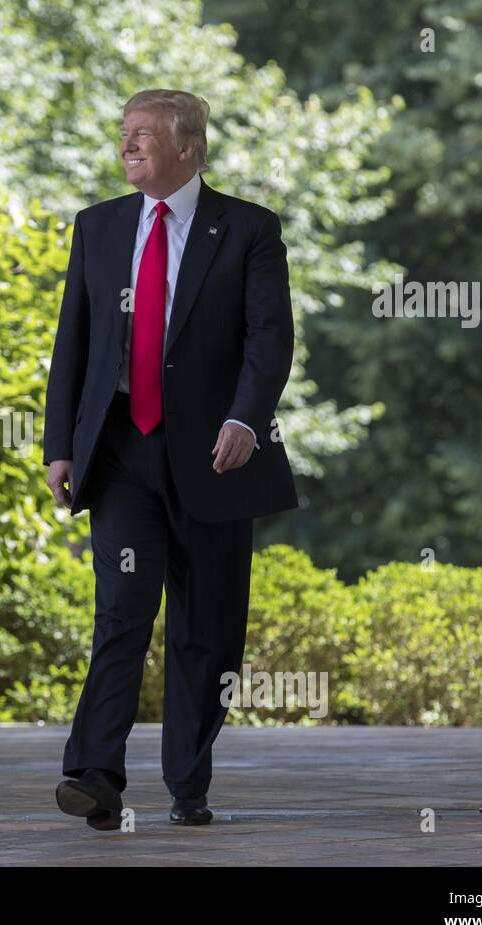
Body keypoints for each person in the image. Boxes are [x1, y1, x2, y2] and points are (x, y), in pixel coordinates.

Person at [43, 89, 299, 829]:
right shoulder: (99, 227)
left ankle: (189, 782)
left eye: (144, 135)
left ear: (189, 146)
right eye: (124, 133)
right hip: (122, 451)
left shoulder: (248, 229)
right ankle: (95, 773)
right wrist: (60, 444)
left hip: (217, 455)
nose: (128, 145)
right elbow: (75, 344)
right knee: (121, 612)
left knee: (206, 630)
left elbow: (268, 338)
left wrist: (246, 417)